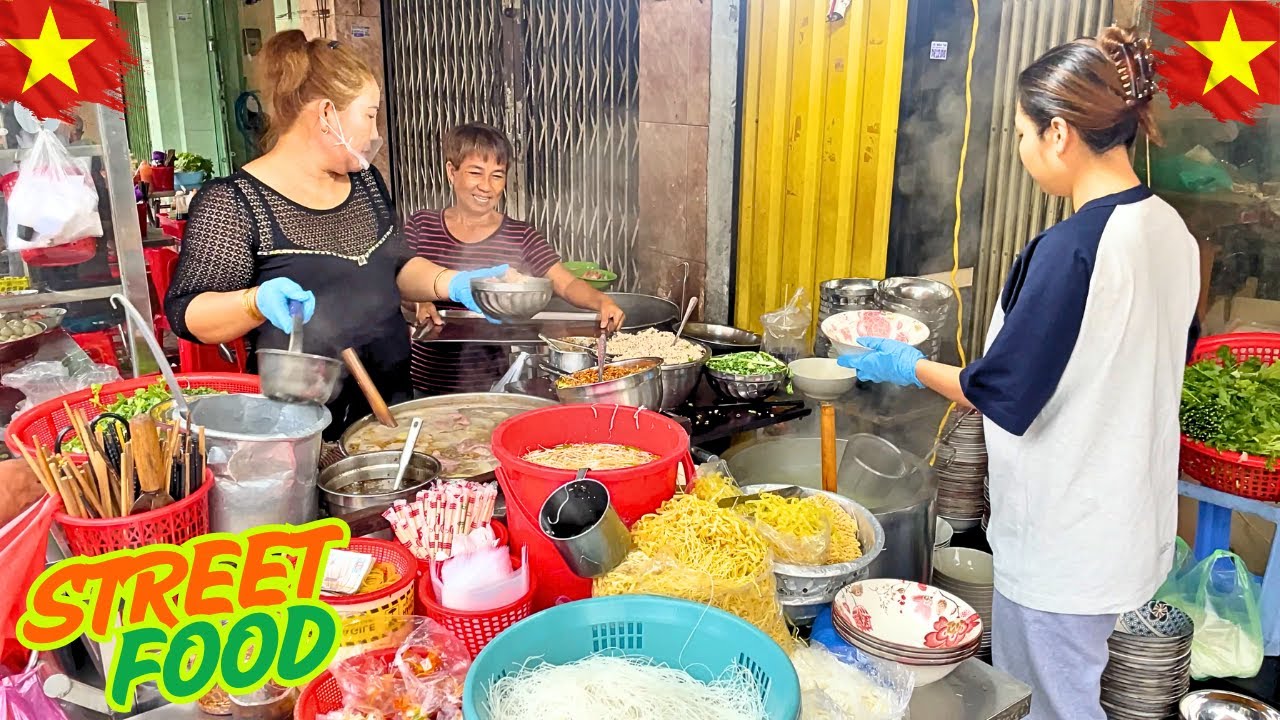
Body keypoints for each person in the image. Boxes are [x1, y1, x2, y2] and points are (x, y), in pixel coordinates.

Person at [840, 28, 1199, 720]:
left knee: (1052, 703)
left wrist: (907, 364)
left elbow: (1004, 393)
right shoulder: (1169, 231)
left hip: (1064, 535)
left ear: (1058, 132)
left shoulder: (1074, 249)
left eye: (1022, 132)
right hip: (1128, 524)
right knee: (1078, 688)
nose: (1022, 149)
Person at [165, 32, 506, 436]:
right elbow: (188, 314)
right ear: (327, 114)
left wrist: (457, 283)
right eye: (369, 115)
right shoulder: (234, 201)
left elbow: (395, 265)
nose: (375, 132)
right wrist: (254, 302)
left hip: (391, 406)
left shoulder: (365, 182)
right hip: (301, 427)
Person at [405, 123, 625, 396]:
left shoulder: (520, 235)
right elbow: (398, 284)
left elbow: (566, 283)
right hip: (424, 382)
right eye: (476, 172)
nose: (486, 186)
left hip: (492, 385)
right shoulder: (422, 225)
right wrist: (418, 301)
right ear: (452, 171)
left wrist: (602, 302)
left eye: (497, 175)